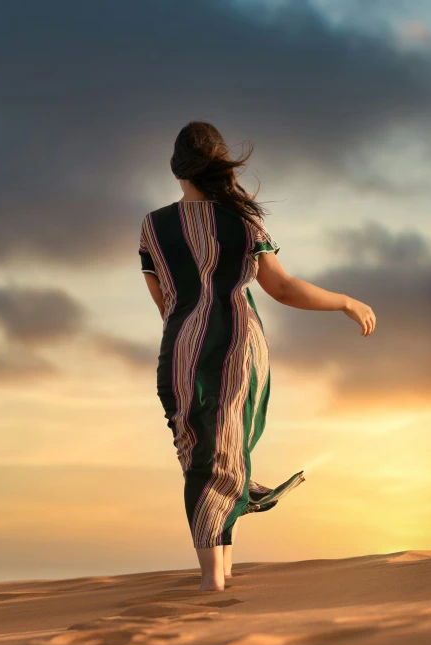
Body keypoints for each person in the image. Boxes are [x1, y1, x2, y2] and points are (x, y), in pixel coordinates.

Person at [138, 121, 376, 592]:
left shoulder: (154, 225)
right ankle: (216, 576)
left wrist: (188, 330)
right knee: (224, 451)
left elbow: (163, 300)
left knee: (200, 452)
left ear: (176, 169)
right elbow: (283, 289)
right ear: (220, 165)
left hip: (180, 348)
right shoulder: (242, 221)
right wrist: (347, 301)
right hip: (236, 346)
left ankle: (217, 574)